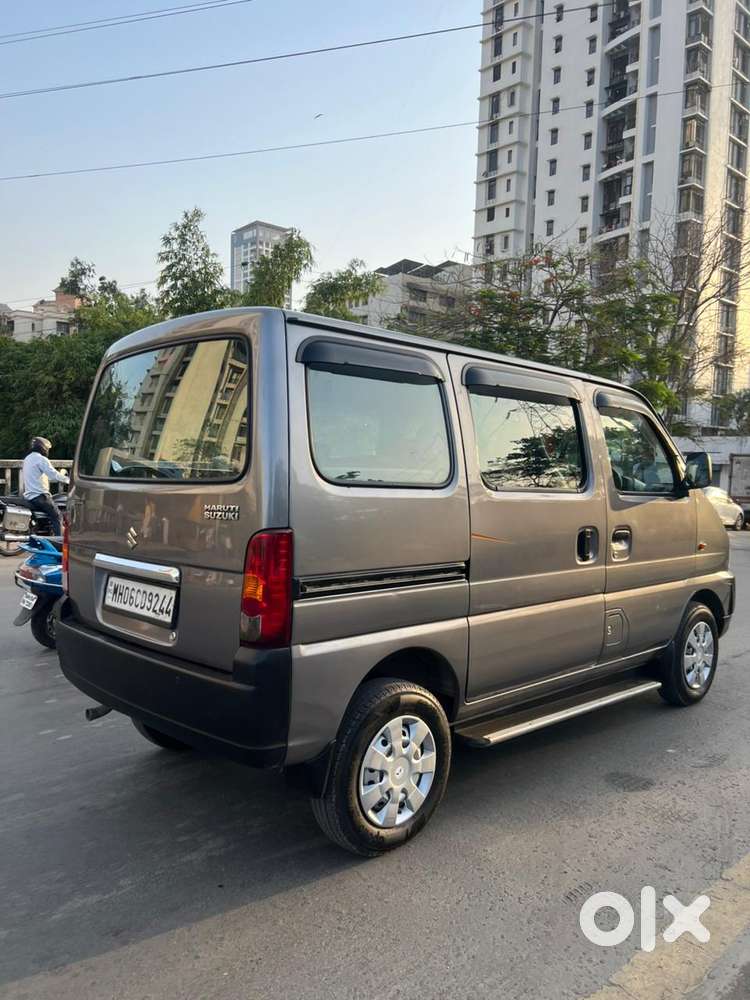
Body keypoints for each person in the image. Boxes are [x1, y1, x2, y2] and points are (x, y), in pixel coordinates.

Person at [22, 437, 69, 536]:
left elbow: (47, 477)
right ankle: (59, 545)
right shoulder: (41, 459)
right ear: (43, 448)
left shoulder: (28, 459)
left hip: (30, 497)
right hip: (41, 496)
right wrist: (69, 480)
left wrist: (60, 476)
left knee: (48, 517)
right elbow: (54, 475)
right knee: (57, 516)